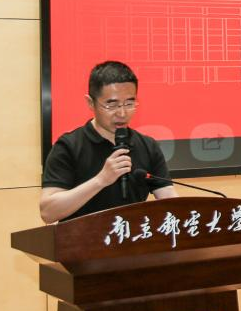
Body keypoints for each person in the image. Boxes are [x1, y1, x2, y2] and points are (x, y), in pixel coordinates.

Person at [39, 61, 178, 223]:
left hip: (132, 236)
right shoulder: (68, 147)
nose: (122, 113)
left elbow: (168, 198)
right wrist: (101, 180)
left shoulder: (148, 146)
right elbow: (48, 212)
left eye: (129, 103)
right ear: (90, 103)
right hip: (83, 238)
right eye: (112, 105)